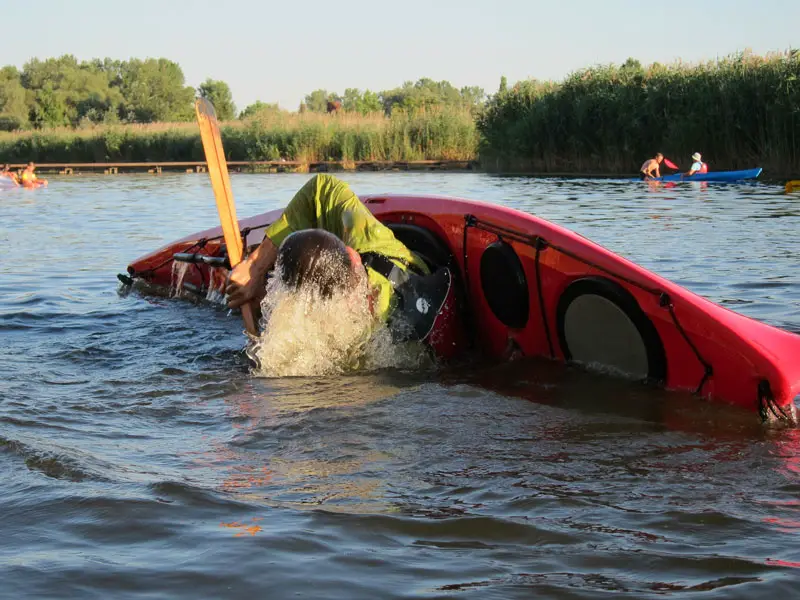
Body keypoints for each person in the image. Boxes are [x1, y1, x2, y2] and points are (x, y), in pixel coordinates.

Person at [225, 174, 457, 350]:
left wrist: (255, 266)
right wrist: (256, 269)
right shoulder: (369, 241)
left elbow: (321, 186)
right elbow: (323, 185)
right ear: (351, 254)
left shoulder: (316, 332)